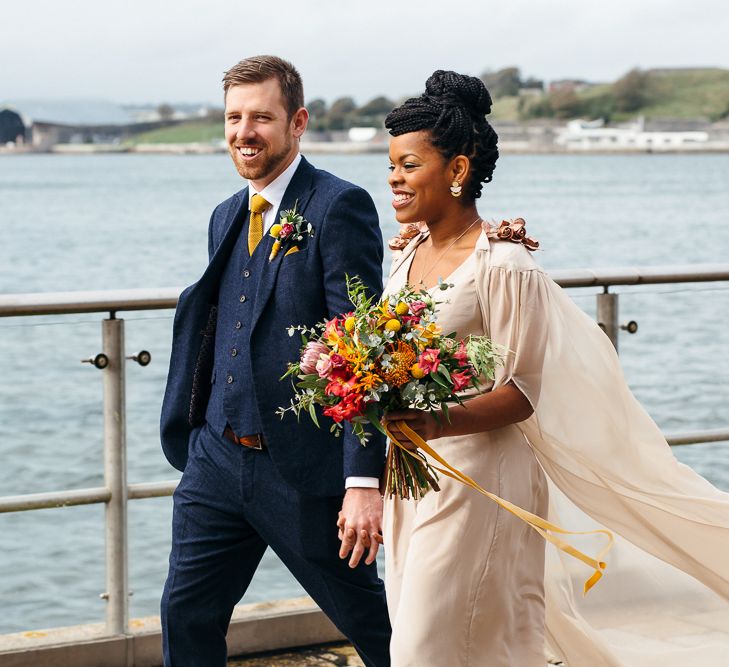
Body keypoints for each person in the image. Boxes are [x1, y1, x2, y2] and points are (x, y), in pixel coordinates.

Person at [379, 70, 729, 666]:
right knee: (458, 638)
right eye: (391, 165)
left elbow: (523, 392)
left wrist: (433, 420)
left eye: (409, 165)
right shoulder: (408, 251)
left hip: (481, 476)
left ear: (457, 171)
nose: (393, 178)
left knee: (424, 648)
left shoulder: (505, 264)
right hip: (410, 475)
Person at [159, 55, 391, 667]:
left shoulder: (339, 206)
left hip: (298, 469)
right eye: (234, 117)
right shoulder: (226, 215)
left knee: (372, 624)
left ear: (298, 122)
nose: (244, 132)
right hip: (214, 458)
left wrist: (362, 481)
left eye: (261, 116)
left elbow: (360, 347)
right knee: (186, 615)